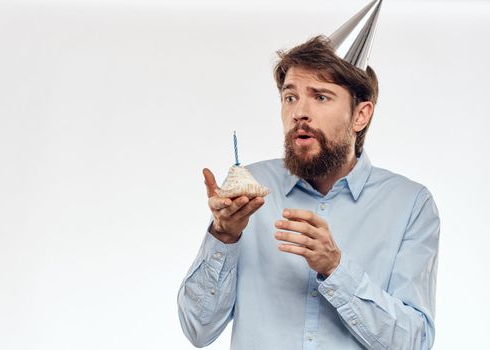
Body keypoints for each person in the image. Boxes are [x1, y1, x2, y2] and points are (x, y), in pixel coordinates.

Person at [177, 2, 439, 349]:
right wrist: (223, 237)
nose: (300, 112)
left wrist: (336, 269)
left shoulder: (410, 205)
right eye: (290, 97)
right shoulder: (248, 198)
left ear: (360, 115)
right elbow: (198, 330)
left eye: (321, 97)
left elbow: (414, 342)